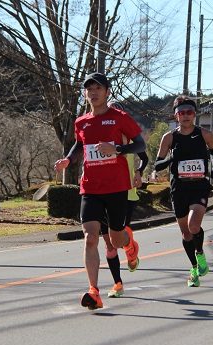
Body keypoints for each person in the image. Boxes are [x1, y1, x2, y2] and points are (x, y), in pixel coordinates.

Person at [54, 72, 145, 310]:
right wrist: (68, 160)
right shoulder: (81, 122)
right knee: (90, 237)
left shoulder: (119, 117)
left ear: (107, 92)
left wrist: (116, 148)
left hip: (116, 188)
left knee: (115, 240)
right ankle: (94, 291)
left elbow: (140, 144)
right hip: (91, 188)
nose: (93, 93)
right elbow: (79, 145)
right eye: (89, 89)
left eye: (98, 89)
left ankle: (129, 244)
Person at [154, 95, 213, 287]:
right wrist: (171, 159)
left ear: (194, 114)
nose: (185, 116)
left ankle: (200, 253)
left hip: (199, 186)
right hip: (179, 189)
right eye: (181, 113)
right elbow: (158, 165)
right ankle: (194, 269)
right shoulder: (169, 137)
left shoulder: (205, 134)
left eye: (189, 112)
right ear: (176, 116)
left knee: (193, 225)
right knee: (186, 234)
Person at [101, 100, 149, 298]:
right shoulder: (100, 135)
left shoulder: (128, 135)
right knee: (109, 244)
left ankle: (130, 247)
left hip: (126, 192)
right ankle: (117, 283)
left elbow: (144, 157)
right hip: (102, 192)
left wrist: (138, 172)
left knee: (118, 237)